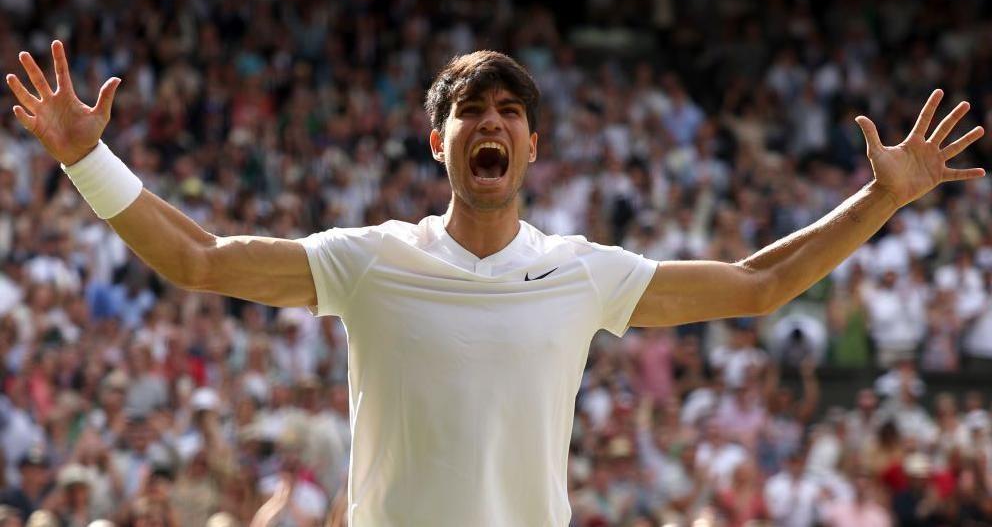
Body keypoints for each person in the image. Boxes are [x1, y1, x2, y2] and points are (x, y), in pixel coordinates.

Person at [5, 41, 985, 526]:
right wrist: (91, 161)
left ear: (531, 142)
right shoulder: (370, 258)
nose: (492, 122)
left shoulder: (583, 272)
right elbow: (199, 260)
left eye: (510, 110)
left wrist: (880, 200)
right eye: (471, 108)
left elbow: (757, 282)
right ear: (439, 141)